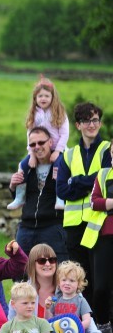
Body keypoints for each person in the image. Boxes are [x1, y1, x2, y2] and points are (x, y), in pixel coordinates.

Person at [56, 102, 111, 319]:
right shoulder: (69, 155)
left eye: (95, 120)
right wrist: (88, 182)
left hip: (97, 222)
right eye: (87, 121)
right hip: (73, 224)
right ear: (78, 125)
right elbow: (62, 190)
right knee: (79, 277)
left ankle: (101, 321)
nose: (92, 125)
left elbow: (104, 179)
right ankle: (84, 322)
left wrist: (76, 180)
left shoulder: (107, 149)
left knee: (100, 278)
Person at [13, 243, 108, 333]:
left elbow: (88, 321)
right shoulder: (24, 290)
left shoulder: (70, 290)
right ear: (32, 264)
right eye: (42, 261)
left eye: (52, 260)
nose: (48, 264)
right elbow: (13, 321)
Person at [8, 75, 69, 210]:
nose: (43, 99)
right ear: (35, 98)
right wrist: (32, 154)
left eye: (47, 96)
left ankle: (60, 198)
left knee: (60, 168)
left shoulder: (59, 112)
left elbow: (65, 134)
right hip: (37, 149)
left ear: (53, 97)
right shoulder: (34, 113)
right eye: (40, 96)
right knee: (23, 165)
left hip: (57, 149)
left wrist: (58, 151)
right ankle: (19, 197)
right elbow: (30, 134)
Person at [9, 127, 68, 262]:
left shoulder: (64, 164)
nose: (37, 147)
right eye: (32, 144)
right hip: (26, 228)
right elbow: (21, 199)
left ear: (50, 142)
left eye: (41, 142)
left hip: (53, 227)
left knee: (56, 274)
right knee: (21, 275)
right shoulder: (26, 166)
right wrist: (13, 186)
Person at [81, 143, 113, 333]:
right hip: (102, 237)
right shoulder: (102, 174)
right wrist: (110, 203)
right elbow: (94, 201)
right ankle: (102, 325)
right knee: (100, 287)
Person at [46, 260, 92, 333]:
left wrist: (78, 327)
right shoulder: (55, 300)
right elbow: (49, 320)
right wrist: (48, 308)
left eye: (71, 280)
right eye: (64, 280)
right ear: (59, 282)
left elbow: (87, 320)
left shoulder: (81, 300)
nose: (67, 283)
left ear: (79, 284)